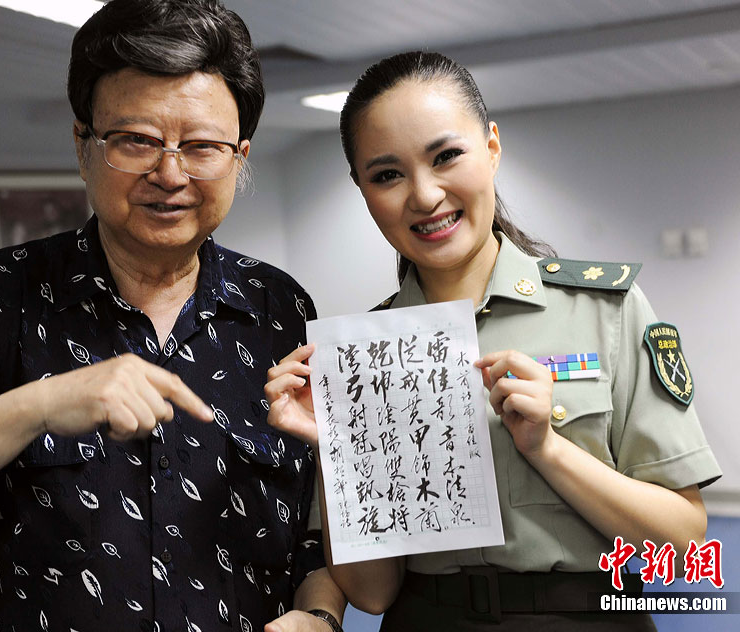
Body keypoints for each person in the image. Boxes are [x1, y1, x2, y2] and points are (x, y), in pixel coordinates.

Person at [0, 1, 345, 630]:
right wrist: (35, 406)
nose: (169, 173)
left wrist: (321, 615)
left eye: (202, 147)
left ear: (239, 157)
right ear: (83, 146)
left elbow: (315, 525)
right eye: (136, 141)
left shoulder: (279, 308)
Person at [264, 51, 721, 630]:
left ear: (492, 147)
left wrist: (547, 448)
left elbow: (684, 546)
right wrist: (336, 450)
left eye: (446, 156)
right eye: (387, 175)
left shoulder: (605, 310)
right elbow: (373, 595)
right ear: (363, 190)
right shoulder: (363, 358)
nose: (424, 196)